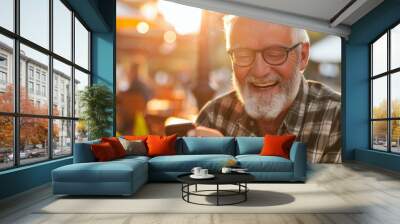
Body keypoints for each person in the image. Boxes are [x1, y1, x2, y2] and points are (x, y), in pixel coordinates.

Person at [191, 16, 341, 163]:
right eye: (242, 54)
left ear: (302, 55)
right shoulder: (214, 116)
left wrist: (227, 164)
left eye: (275, 54)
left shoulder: (339, 118)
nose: (259, 71)